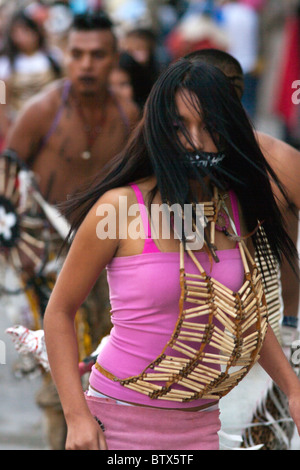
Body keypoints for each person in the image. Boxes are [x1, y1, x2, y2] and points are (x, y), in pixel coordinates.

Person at [44, 58, 300, 451]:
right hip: (116, 423)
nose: (194, 142)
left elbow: (244, 314)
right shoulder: (119, 209)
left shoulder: (234, 208)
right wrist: (76, 418)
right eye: (179, 127)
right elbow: (59, 311)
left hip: (201, 427)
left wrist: (293, 390)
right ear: (160, 129)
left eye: (209, 126)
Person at [2, 11, 140, 450]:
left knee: (110, 370)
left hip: (112, 262)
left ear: (113, 58)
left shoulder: (129, 116)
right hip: (50, 265)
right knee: (58, 380)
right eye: (77, 54)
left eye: (97, 55)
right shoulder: (42, 111)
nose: (85, 64)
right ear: (65, 54)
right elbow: (7, 181)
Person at [184, 48, 300, 350]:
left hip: (275, 329)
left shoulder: (283, 163)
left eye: (226, 92)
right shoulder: (165, 164)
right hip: (188, 337)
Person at [0, 9, 62, 149]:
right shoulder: (5, 65)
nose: (21, 37)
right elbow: (1, 103)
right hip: (17, 125)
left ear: (36, 32)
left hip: (50, 124)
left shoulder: (53, 58)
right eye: (16, 32)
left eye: (26, 31)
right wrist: (8, 134)